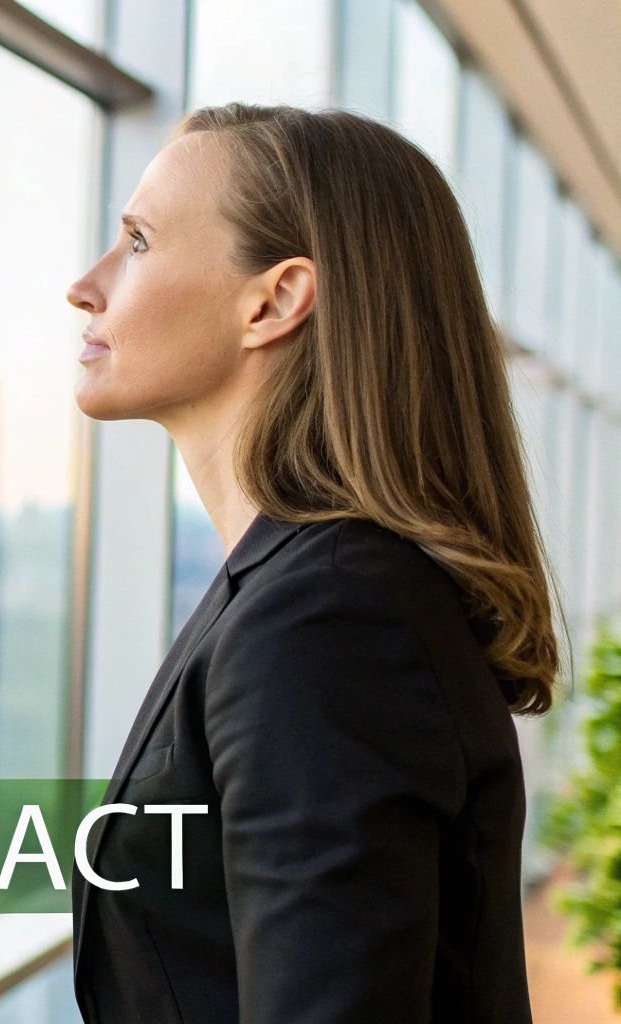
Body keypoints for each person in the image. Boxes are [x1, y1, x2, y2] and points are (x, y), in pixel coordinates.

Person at [64, 103, 556, 1023]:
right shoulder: (313, 586)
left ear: (275, 300)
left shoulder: (324, 619)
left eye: (135, 241)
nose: (85, 287)